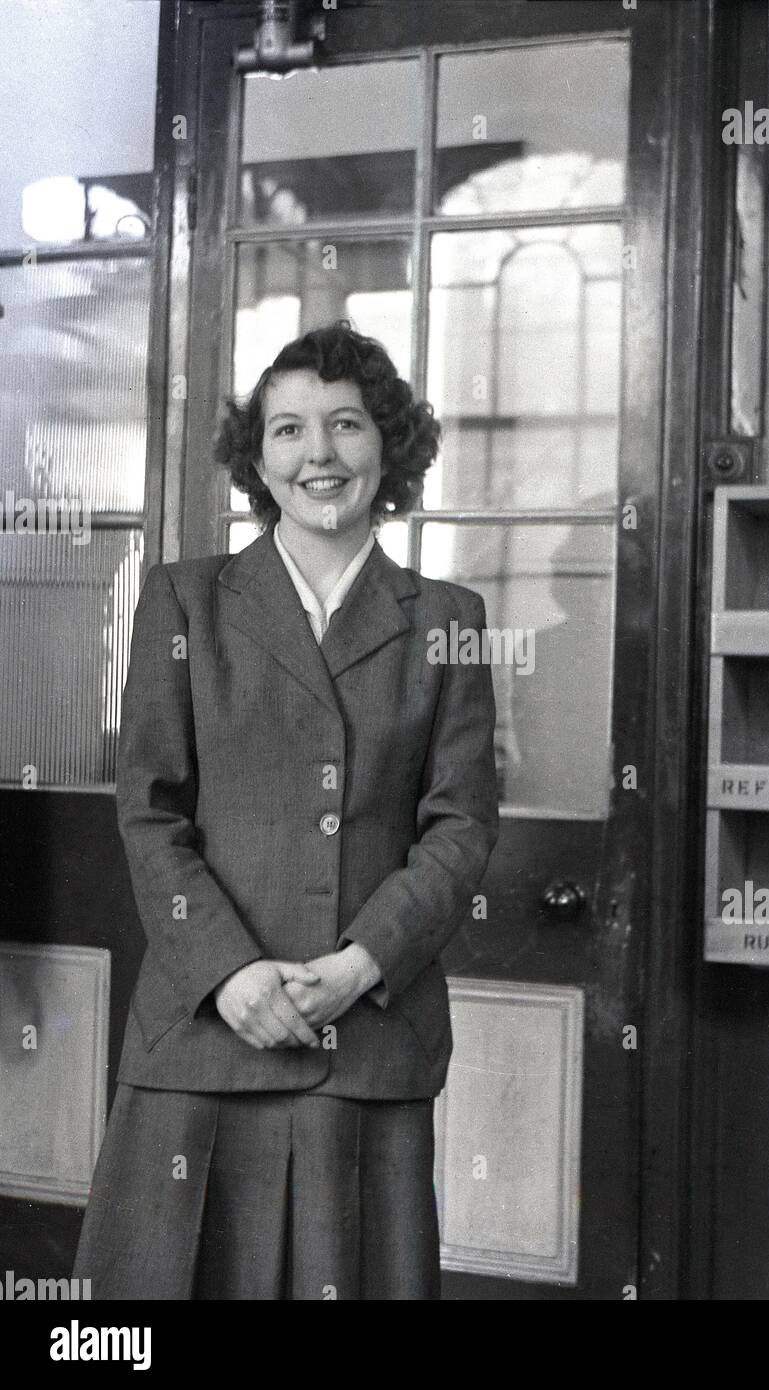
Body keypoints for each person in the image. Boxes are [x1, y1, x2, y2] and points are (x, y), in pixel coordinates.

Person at [72, 321, 500, 1299]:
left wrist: (360, 965)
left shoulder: (447, 621)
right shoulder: (184, 602)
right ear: (255, 459)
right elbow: (148, 811)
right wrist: (228, 973)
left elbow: (461, 822)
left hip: (367, 1041)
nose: (319, 454)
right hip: (202, 1035)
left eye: (346, 425)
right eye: (288, 430)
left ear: (388, 446)